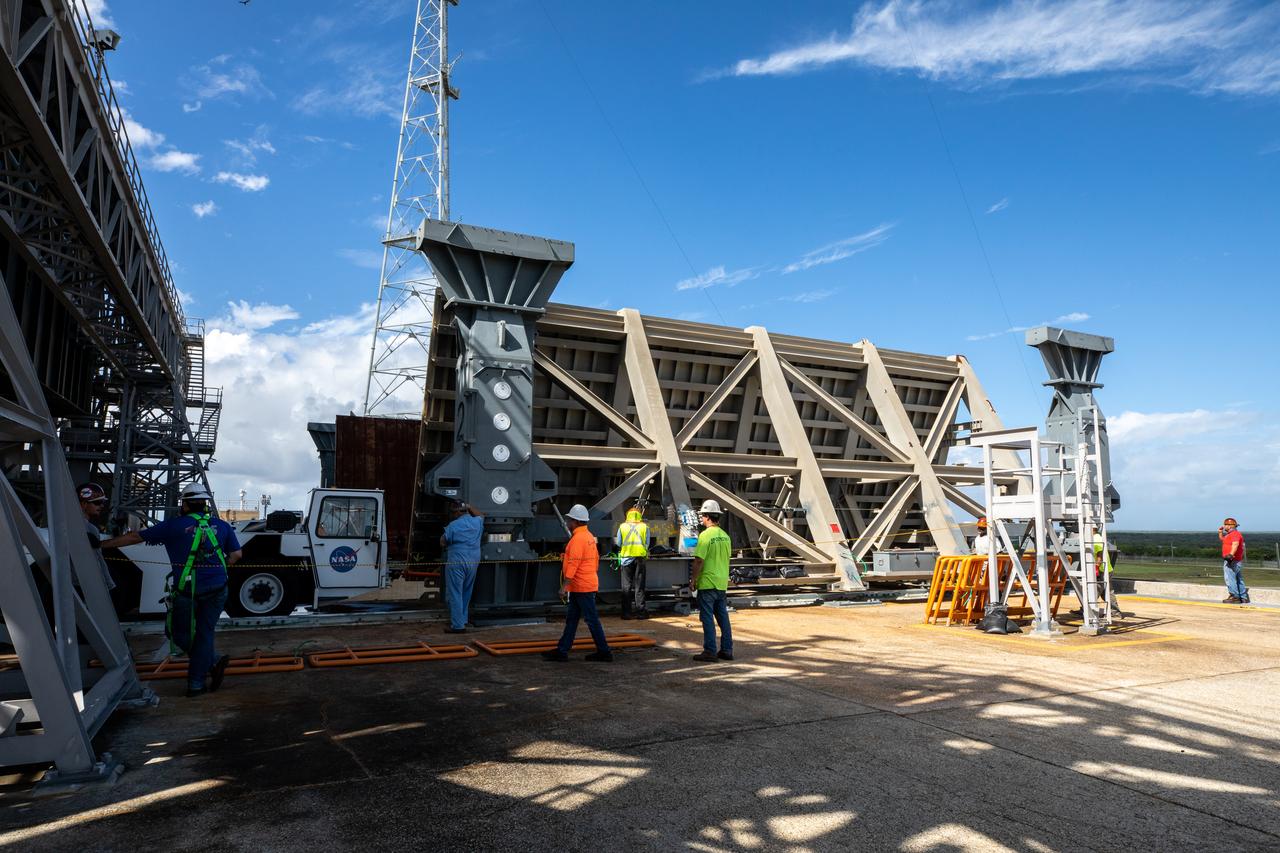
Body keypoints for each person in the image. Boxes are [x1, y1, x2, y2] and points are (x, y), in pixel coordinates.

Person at [102, 483, 242, 696]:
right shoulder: (221, 526)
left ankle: (200, 678)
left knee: (177, 633)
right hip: (217, 587)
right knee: (204, 634)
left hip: (187, 590)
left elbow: (134, 537)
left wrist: (100, 545)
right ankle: (207, 666)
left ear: (185, 504)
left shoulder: (173, 526)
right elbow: (236, 555)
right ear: (204, 503)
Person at [542, 504, 611, 662]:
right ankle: (562, 650)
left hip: (581, 587)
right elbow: (595, 562)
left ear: (575, 521)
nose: (567, 522)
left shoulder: (577, 540)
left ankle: (604, 651)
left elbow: (573, 564)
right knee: (573, 619)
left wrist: (564, 586)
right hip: (585, 584)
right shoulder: (588, 537)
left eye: (569, 519)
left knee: (591, 619)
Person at [690, 499, 733, 663]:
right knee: (723, 618)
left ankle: (710, 651)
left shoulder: (705, 535)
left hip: (707, 582)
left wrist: (693, 579)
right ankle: (727, 650)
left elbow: (699, 560)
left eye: (702, 516)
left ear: (707, 517)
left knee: (707, 617)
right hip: (721, 583)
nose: (701, 518)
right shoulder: (725, 536)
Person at [441, 502, 484, 633]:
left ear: (458, 512)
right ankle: (463, 619)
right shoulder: (477, 522)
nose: (453, 515)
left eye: (454, 512)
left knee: (455, 593)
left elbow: (442, 542)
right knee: (466, 591)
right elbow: (481, 515)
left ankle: (458, 626)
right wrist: (470, 506)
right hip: (473, 561)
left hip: (457, 561)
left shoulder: (453, 525)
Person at [78, 483, 116, 592]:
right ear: (84, 504)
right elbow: (98, 560)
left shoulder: (65, 524)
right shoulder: (90, 529)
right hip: (84, 585)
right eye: (98, 502)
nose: (102, 506)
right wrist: (108, 584)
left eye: (103, 502)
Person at [614, 507, 650, 619]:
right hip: (640, 559)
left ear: (628, 515)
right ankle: (641, 612)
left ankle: (626, 613)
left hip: (626, 559)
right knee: (639, 586)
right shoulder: (645, 527)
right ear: (639, 515)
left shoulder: (622, 527)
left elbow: (619, 543)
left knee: (626, 587)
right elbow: (647, 543)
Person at [1219, 517, 1249, 604]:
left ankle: (1234, 596)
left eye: (1225, 524)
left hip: (1232, 560)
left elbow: (1235, 544)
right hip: (1235, 560)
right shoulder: (1229, 534)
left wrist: (1231, 555)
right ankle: (1243, 597)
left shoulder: (1235, 534)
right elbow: (1223, 539)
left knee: (1230, 578)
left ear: (1230, 526)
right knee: (1238, 578)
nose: (1224, 526)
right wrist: (1220, 532)